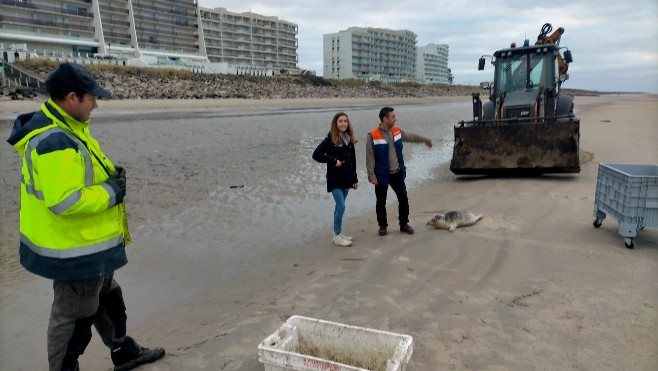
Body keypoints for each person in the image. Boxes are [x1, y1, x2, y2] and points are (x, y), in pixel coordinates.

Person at [6, 62, 165, 371]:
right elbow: (65, 200)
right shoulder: (54, 141)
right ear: (70, 98)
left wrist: (109, 176)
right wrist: (112, 191)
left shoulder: (71, 129)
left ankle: (123, 351)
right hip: (72, 249)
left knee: (106, 296)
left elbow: (78, 178)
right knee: (74, 313)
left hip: (89, 243)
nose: (96, 104)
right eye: (91, 97)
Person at [366, 106, 433, 236]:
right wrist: (371, 176)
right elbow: (369, 157)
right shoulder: (373, 135)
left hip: (397, 173)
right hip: (381, 175)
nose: (395, 119)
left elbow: (411, 136)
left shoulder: (397, 131)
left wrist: (425, 139)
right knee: (381, 202)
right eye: (393, 117)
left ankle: (404, 224)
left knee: (403, 198)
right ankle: (383, 226)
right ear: (385, 119)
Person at [312, 112, 359, 247]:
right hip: (335, 179)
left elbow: (353, 161)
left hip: (347, 179)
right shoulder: (331, 138)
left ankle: (338, 233)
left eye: (345, 121)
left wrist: (354, 179)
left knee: (340, 207)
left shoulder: (349, 138)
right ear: (335, 123)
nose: (343, 123)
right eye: (340, 121)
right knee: (341, 206)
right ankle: (337, 236)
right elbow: (316, 154)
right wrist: (333, 160)